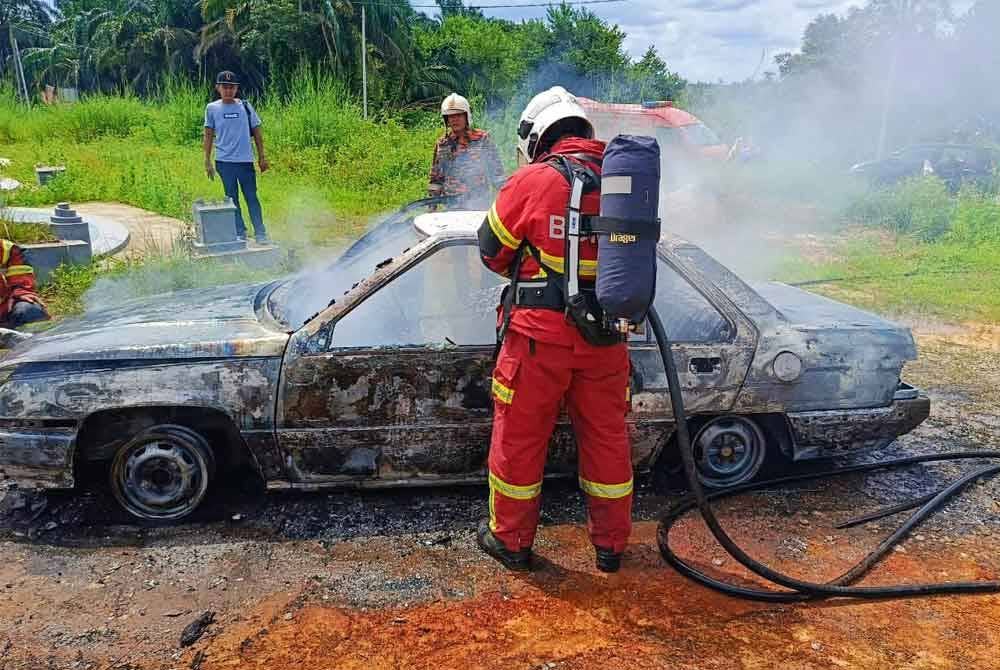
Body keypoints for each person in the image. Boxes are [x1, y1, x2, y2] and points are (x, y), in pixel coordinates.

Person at [475, 86, 633, 574]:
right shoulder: (623, 179)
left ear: (537, 137)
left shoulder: (533, 180)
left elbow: (491, 252)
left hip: (538, 341)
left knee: (519, 442)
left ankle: (511, 541)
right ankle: (611, 546)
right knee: (607, 440)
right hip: (607, 341)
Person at [203, 70, 270, 244]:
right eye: (225, 87)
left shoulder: (245, 106)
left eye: (232, 87)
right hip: (224, 162)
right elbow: (208, 135)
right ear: (218, 88)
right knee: (232, 199)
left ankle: (260, 232)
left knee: (251, 197)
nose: (228, 90)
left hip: (245, 161)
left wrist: (262, 157)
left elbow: (257, 132)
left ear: (236, 88)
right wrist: (207, 161)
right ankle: (240, 231)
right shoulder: (212, 108)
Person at [428, 93, 505, 208]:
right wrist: (432, 207)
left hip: (479, 202)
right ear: (446, 120)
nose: (455, 119)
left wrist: (504, 202)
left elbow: (497, 174)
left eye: (458, 115)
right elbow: (436, 179)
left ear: (466, 116)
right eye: (451, 116)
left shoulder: (482, 139)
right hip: (451, 204)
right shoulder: (442, 144)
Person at [0, 239, 49, 332]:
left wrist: (21, 291)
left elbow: (21, 275)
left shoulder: (6, 249)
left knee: (28, 310)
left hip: (4, 311)